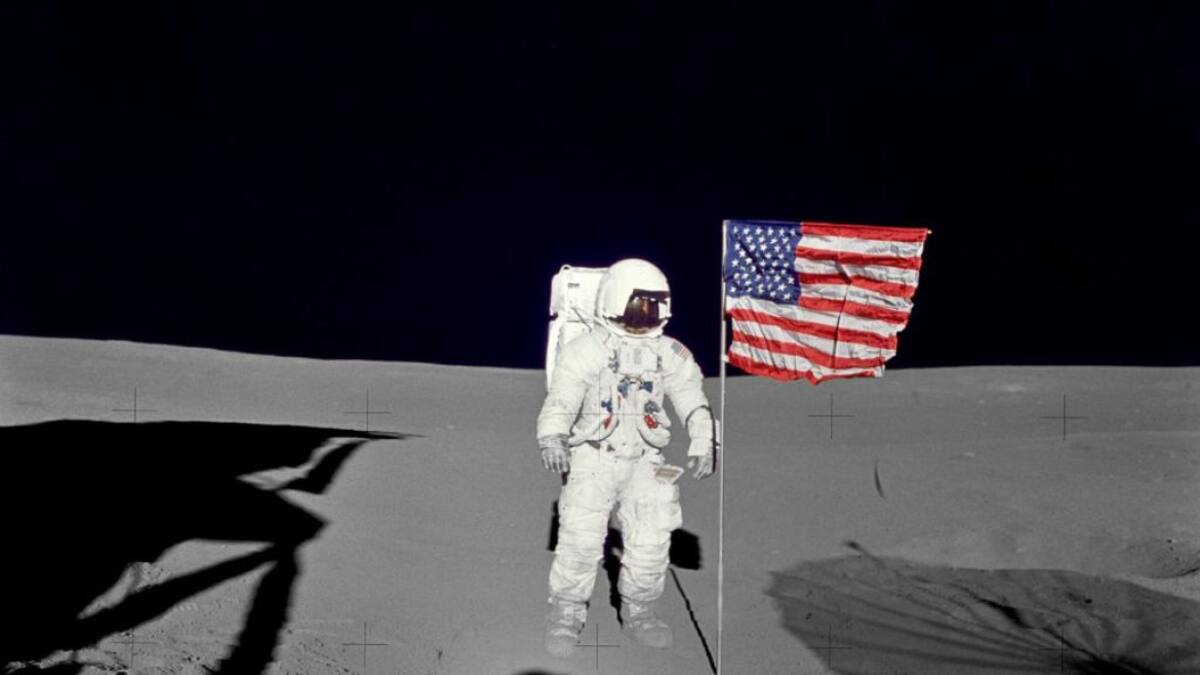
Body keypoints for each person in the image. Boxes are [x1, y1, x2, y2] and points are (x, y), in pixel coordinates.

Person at [537, 258, 717, 658]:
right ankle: (566, 615)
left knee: (651, 542)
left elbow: (691, 398)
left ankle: (640, 612)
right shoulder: (586, 351)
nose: (643, 316)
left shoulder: (669, 353)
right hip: (593, 458)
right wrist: (552, 437)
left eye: (652, 306)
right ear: (614, 302)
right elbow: (562, 398)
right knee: (580, 542)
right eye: (637, 306)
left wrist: (704, 440)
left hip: (646, 460)